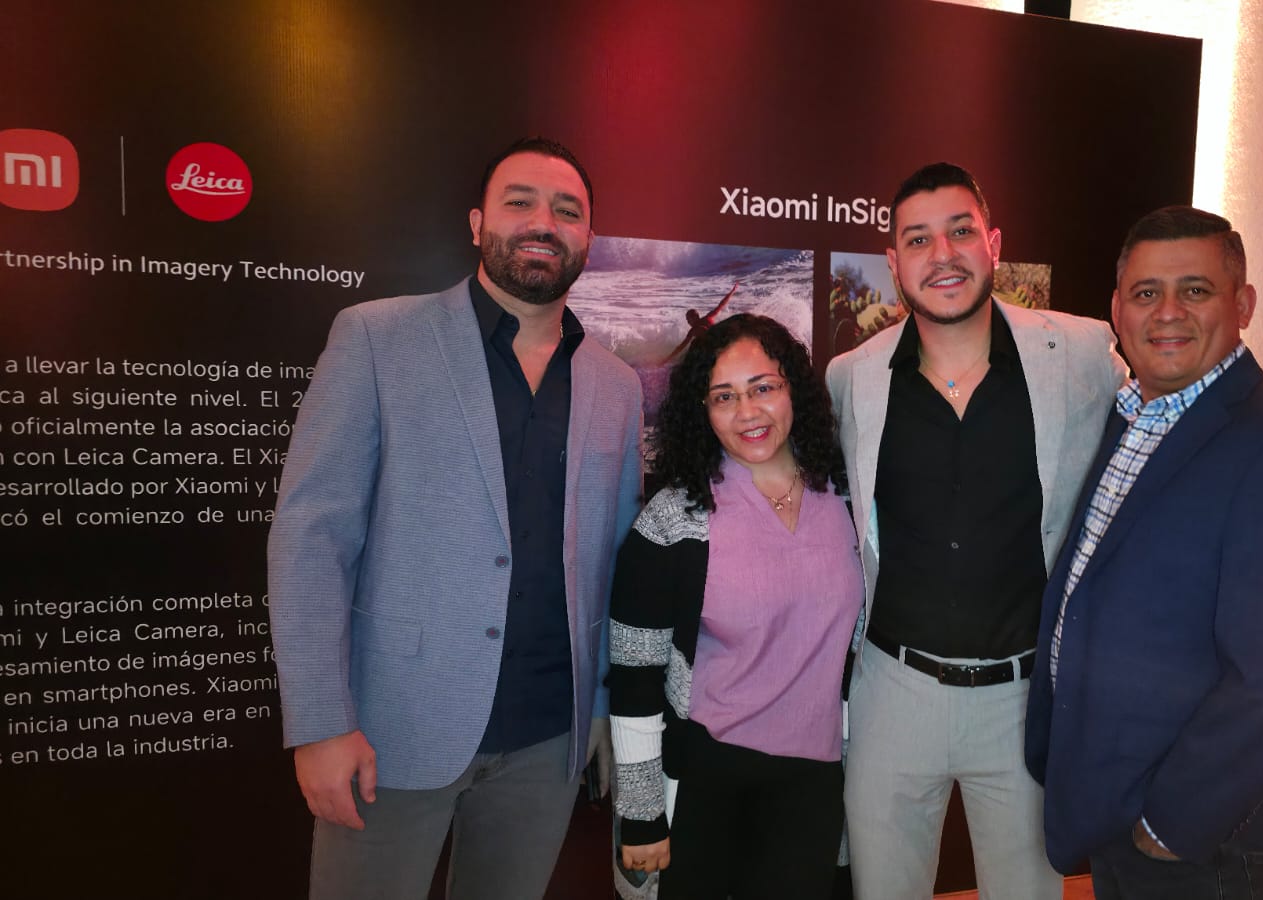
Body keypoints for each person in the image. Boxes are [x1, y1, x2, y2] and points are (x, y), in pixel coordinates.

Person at [267, 136, 643, 900]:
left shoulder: (617, 384)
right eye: (520, 202)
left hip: (549, 738)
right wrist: (320, 723)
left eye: (566, 210)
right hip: (392, 729)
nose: (543, 222)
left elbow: (613, 561)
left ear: (588, 237)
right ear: (477, 224)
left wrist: (602, 708)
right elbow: (311, 537)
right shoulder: (376, 338)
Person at [1024, 206, 1263, 899]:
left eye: (1195, 290)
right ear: (1117, 310)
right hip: (1117, 812)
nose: (1168, 312)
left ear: (1244, 305)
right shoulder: (1129, 417)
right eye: (1146, 292)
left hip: (1200, 846)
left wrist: (1170, 828)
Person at [825, 162, 1126, 900]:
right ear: (893, 262)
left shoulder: (1081, 353)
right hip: (893, 690)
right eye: (918, 239)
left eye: (960, 231)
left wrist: (1260, 428)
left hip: (1022, 698)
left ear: (993, 244)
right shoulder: (852, 376)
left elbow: (1164, 419)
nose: (943, 254)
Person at [609, 314, 861, 899]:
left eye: (763, 387)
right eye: (724, 396)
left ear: (793, 388)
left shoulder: (847, 498)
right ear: (703, 410)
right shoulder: (674, 519)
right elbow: (634, 675)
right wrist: (643, 813)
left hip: (814, 781)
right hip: (706, 776)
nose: (748, 412)